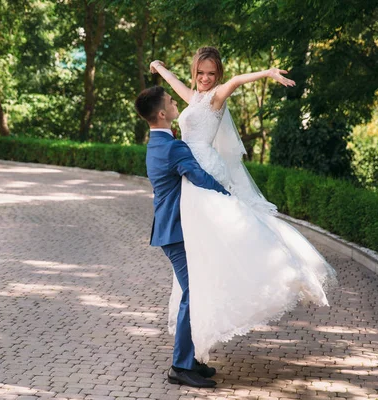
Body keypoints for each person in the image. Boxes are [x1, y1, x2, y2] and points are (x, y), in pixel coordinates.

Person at [149, 47, 337, 364]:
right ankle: (195, 340)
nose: (206, 78)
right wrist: (158, 66)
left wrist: (267, 73)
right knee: (202, 243)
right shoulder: (193, 97)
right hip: (189, 170)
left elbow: (237, 79)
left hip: (203, 168)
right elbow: (176, 82)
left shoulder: (216, 97)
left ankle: (268, 273)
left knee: (233, 227)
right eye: (201, 73)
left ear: (217, 74)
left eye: (211, 73)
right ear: (195, 72)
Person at [135, 86, 230, 388]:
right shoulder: (173, 147)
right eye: (171, 101)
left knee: (195, 293)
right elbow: (198, 177)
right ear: (162, 113)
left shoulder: (157, 143)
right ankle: (180, 366)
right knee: (193, 294)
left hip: (172, 229)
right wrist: (228, 195)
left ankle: (192, 361)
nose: (176, 103)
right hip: (176, 232)